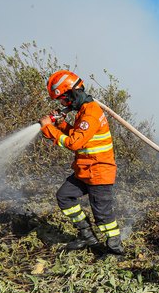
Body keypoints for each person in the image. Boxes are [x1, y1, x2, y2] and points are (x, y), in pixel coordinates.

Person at [39, 70, 124, 255]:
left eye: (63, 99)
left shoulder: (91, 114)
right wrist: (60, 125)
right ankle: (87, 236)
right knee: (64, 196)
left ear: (72, 93)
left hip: (99, 173)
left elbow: (74, 143)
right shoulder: (84, 111)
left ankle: (114, 250)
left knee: (103, 216)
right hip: (85, 171)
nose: (63, 104)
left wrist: (48, 129)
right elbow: (78, 135)